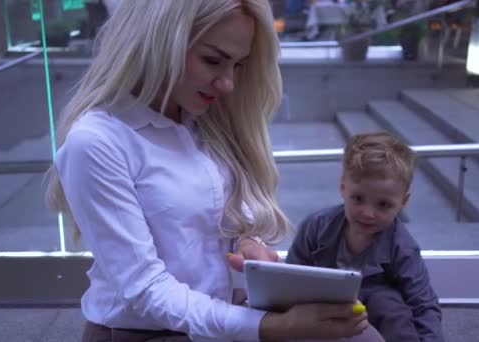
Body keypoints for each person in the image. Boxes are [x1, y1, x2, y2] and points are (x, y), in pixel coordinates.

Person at [45, 1, 385, 341]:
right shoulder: (96, 143)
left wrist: (247, 240)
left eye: (238, 65)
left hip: (215, 319)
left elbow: (207, 213)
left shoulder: (202, 120)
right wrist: (268, 328)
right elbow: (145, 289)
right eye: (213, 60)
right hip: (145, 331)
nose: (228, 84)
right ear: (158, 40)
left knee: (361, 335)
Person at [287, 132, 445, 342]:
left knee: (390, 307)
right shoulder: (315, 227)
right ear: (343, 188)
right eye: (358, 199)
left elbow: (423, 303)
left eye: (384, 204)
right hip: (324, 302)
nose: (368, 213)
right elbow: (290, 277)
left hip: (378, 310)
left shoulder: (403, 247)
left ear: (403, 202)